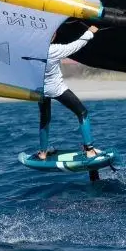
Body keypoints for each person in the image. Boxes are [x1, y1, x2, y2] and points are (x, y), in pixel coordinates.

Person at [37, 23, 100, 159]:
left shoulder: (30, 49)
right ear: (52, 37)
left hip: (39, 90)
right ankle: (89, 149)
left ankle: (42, 152)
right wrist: (90, 32)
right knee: (82, 112)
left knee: (45, 118)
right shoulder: (54, 50)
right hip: (57, 89)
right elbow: (76, 45)